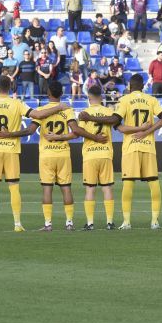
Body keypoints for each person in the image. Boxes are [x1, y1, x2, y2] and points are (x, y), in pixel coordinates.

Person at [78, 73, 162, 230]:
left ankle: (126, 222)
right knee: (153, 183)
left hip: (131, 147)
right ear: (143, 86)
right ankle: (154, 221)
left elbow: (114, 121)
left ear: (130, 86)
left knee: (128, 184)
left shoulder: (124, 100)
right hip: (148, 146)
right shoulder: (151, 100)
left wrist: (90, 118)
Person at [0, 75, 65, 232]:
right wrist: (58, 107)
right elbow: (37, 115)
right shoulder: (17, 104)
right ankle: (17, 224)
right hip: (11, 150)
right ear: (10, 87)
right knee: (14, 187)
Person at [23, 81, 80, 231]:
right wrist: (61, 137)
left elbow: (30, 130)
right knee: (66, 188)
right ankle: (69, 223)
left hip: (47, 154)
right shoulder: (67, 109)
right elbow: (76, 132)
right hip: (63, 154)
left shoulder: (40, 110)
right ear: (61, 94)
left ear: (48, 93)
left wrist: (10, 135)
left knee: (47, 189)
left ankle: (48, 224)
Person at [72, 85, 115, 230]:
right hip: (105, 153)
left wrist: (93, 138)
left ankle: (90, 223)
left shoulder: (85, 113)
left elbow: (79, 131)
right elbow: (115, 123)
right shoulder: (109, 111)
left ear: (89, 98)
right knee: (107, 187)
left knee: (90, 189)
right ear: (102, 97)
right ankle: (109, 222)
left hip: (90, 154)